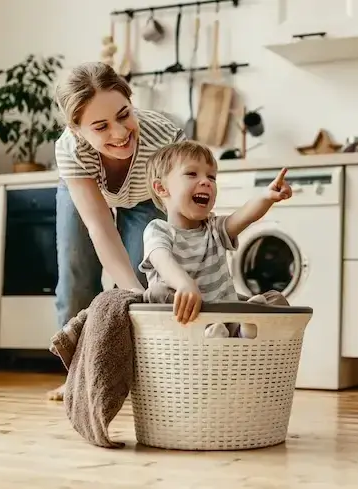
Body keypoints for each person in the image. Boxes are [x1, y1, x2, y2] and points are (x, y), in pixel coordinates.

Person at [48, 61, 186, 400]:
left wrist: (141, 290)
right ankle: (77, 377)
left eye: (124, 115)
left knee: (145, 278)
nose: (120, 133)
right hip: (86, 191)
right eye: (101, 126)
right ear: (78, 130)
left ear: (130, 100)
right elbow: (98, 227)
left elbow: (181, 211)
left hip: (144, 197)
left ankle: (140, 379)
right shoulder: (71, 149)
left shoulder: (165, 136)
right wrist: (129, 290)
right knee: (76, 274)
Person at [139, 140, 293, 337]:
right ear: (162, 188)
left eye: (211, 177)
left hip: (227, 317)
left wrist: (266, 197)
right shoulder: (158, 230)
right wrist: (184, 284)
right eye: (192, 174)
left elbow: (244, 216)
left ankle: (244, 329)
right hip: (185, 322)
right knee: (156, 294)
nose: (206, 182)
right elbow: (162, 261)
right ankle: (223, 332)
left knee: (275, 300)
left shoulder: (214, 228)